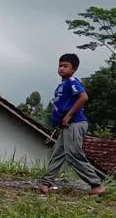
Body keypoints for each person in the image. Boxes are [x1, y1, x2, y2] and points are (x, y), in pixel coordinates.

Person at [39, 53, 105, 195]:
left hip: (75, 123)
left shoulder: (72, 82)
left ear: (73, 69)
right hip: (65, 125)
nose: (61, 68)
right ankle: (46, 183)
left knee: (73, 154)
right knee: (58, 154)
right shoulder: (62, 85)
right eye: (60, 65)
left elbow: (83, 97)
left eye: (65, 66)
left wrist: (68, 116)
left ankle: (96, 184)